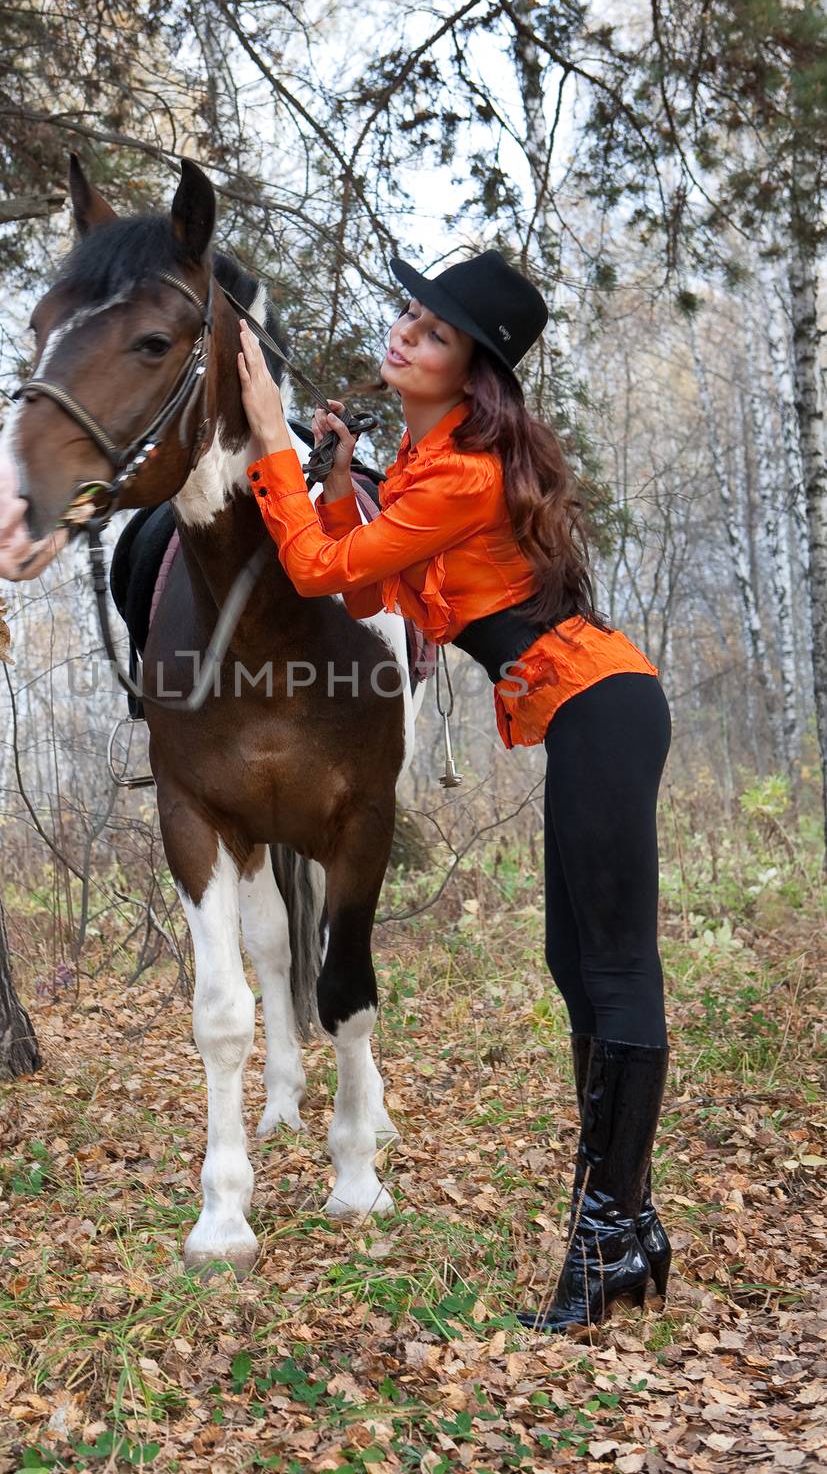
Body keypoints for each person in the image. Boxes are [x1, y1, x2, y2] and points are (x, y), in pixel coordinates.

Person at [235, 249, 673, 1334]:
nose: (401, 335)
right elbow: (368, 569)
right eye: (406, 317)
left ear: (470, 370)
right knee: (574, 963)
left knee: (613, 969)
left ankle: (607, 1235)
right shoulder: (431, 463)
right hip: (581, 708)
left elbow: (314, 573)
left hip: (601, 703)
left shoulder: (464, 472)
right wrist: (333, 473)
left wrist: (266, 437)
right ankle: (628, 1220)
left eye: (428, 332)